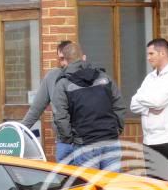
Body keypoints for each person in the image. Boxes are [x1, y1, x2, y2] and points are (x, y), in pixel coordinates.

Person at [52, 43, 126, 172]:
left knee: (89, 184)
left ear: (66, 60)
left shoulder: (63, 84)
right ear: (83, 57)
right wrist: (116, 130)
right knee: (111, 184)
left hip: (85, 145)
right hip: (110, 141)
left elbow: (60, 117)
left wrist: (70, 139)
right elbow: (119, 105)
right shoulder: (104, 77)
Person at [130, 38, 168, 177]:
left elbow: (158, 102)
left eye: (151, 54)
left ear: (162, 53)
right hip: (149, 141)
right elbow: (133, 104)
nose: (148, 58)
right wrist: (148, 108)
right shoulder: (150, 77)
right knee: (153, 185)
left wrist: (143, 99)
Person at [21, 40, 74, 162]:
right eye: (61, 58)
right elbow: (36, 109)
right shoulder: (52, 77)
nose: (64, 62)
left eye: (67, 58)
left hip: (85, 141)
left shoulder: (87, 75)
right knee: (64, 174)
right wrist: (19, 131)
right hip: (64, 141)